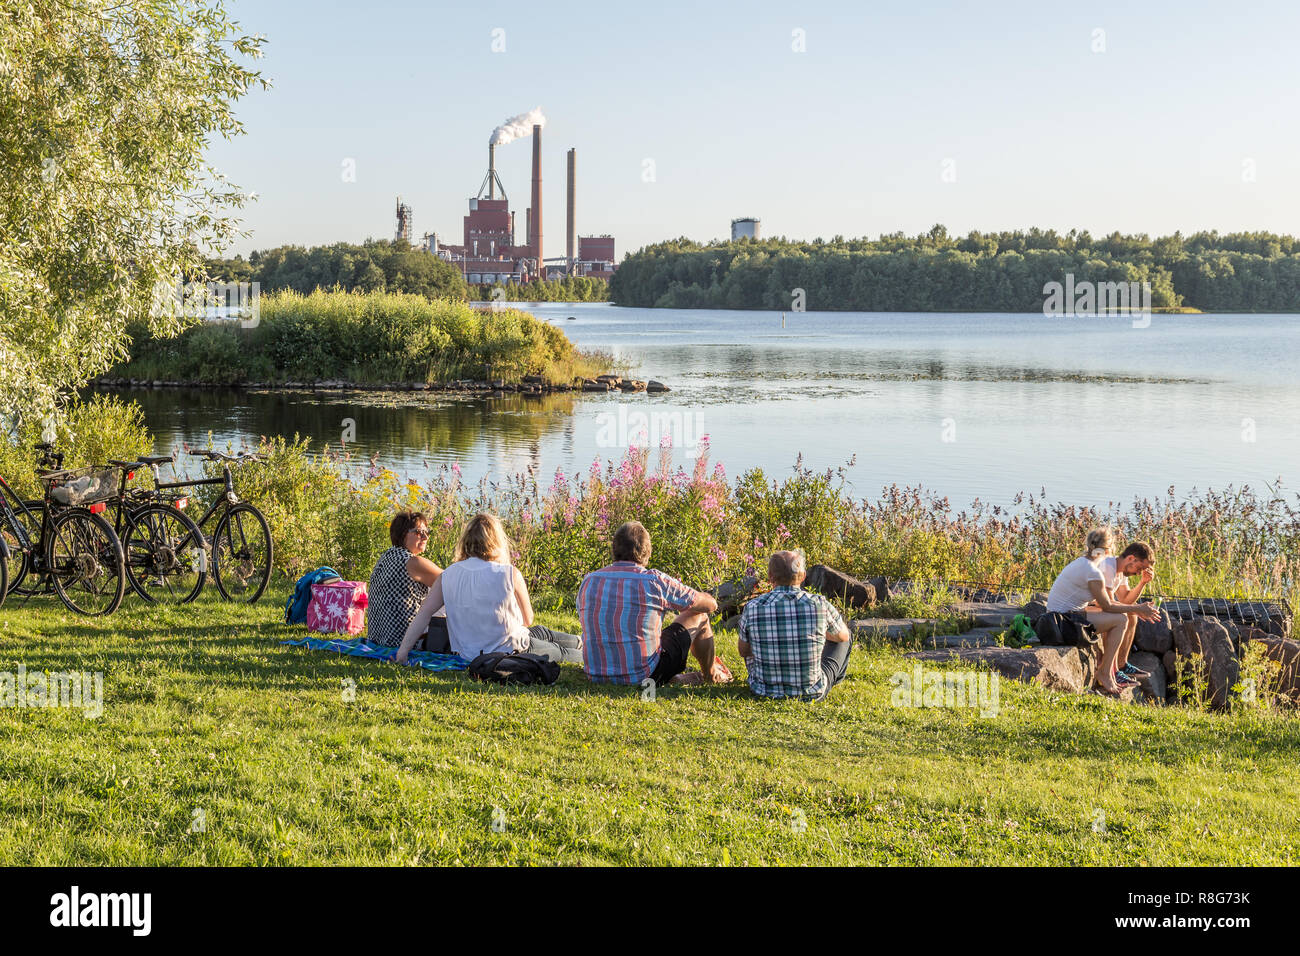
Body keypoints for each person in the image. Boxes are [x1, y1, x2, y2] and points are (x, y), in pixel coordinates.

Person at [396, 513, 582, 665]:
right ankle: (590, 650)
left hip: (466, 653)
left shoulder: (448, 575)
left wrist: (403, 652)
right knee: (559, 651)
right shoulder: (510, 573)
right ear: (496, 541)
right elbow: (527, 619)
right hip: (508, 650)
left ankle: (583, 640)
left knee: (541, 632)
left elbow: (424, 614)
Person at [577, 520, 732, 686]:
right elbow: (709, 606)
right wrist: (705, 597)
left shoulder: (589, 580)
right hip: (643, 676)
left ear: (614, 549)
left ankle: (674, 678)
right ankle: (711, 675)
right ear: (647, 551)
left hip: (596, 674)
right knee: (699, 616)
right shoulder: (654, 581)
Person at [1044, 528, 1160, 696]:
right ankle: (1105, 672)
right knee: (1121, 620)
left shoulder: (1084, 563)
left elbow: (1114, 602)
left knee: (1123, 617)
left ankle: (1111, 670)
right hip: (1062, 624)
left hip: (1058, 619)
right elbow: (1106, 606)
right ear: (1107, 551)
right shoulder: (1094, 572)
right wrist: (1137, 608)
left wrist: (1137, 607)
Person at [738, 550, 852, 700]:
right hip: (811, 693)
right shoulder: (819, 604)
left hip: (763, 690)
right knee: (846, 634)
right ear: (803, 576)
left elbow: (743, 651)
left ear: (770, 576)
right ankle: (831, 681)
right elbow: (842, 636)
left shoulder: (752, 607)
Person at [368, 511, 446, 650]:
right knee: (446, 592)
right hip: (402, 640)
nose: (425, 536)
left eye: (426, 532)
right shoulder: (412, 561)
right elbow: (455, 583)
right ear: (403, 534)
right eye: (418, 532)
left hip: (378, 637)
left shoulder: (387, 556)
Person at [1100, 541, 1157, 682]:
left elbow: (1125, 599)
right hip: (1084, 608)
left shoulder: (1121, 573)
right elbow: (1104, 603)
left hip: (1097, 607)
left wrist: (1143, 582)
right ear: (1131, 558)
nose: (1138, 573)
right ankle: (1108, 669)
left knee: (1132, 617)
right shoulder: (1108, 566)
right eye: (1140, 568)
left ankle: (1121, 664)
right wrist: (1136, 609)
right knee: (1119, 617)